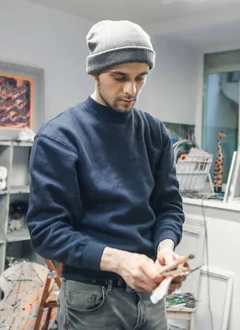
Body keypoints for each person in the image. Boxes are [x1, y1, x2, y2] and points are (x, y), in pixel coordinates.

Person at [26, 19, 186, 329]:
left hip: (151, 297)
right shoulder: (60, 136)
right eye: (119, 77)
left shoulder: (154, 132)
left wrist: (166, 248)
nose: (131, 89)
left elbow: (168, 206)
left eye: (141, 78)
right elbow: (46, 231)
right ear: (95, 73)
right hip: (92, 300)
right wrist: (121, 261)